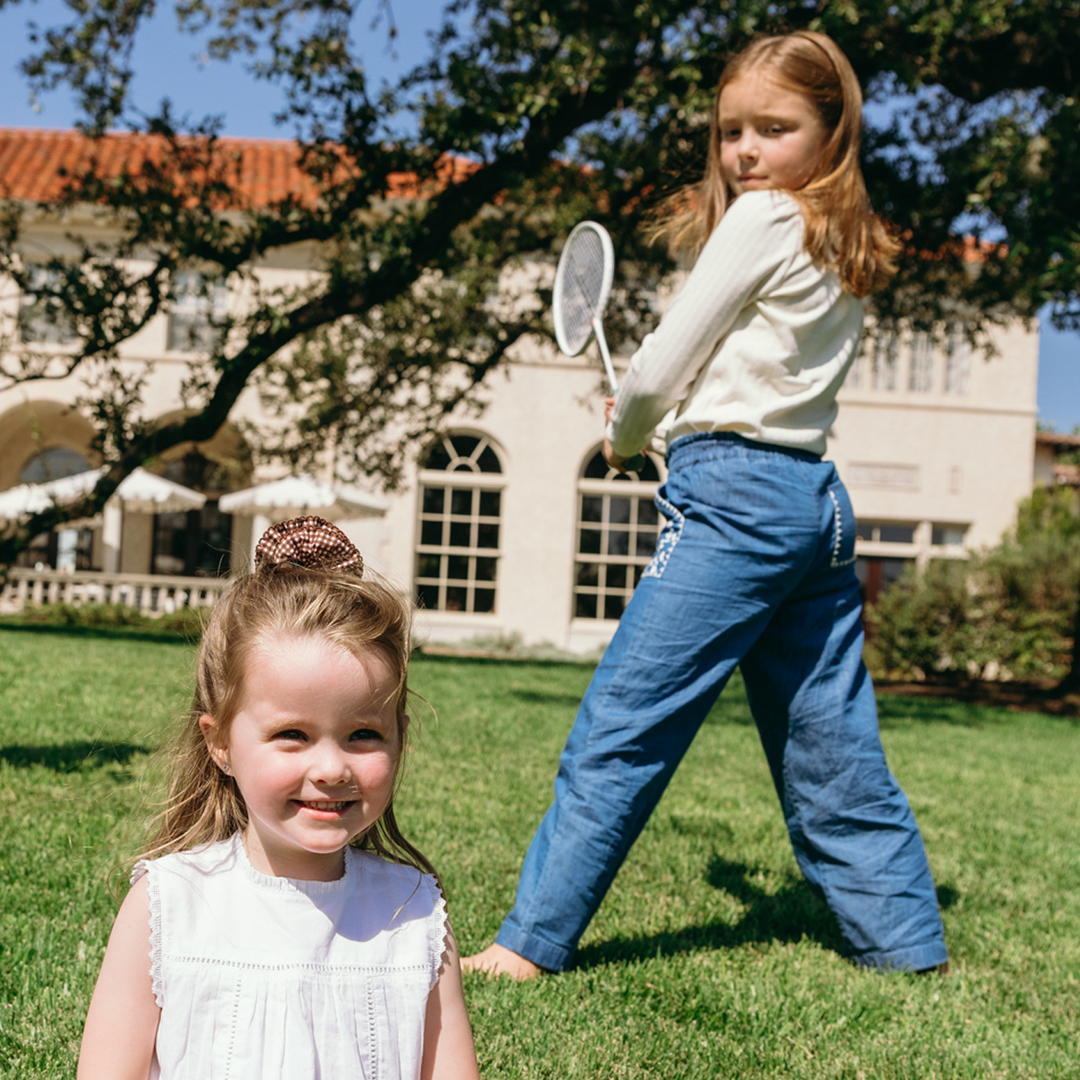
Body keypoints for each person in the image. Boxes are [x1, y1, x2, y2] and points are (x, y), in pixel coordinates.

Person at [464, 30, 948, 980]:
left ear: (832, 129)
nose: (747, 151)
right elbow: (755, 374)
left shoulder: (766, 218)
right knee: (831, 746)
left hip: (735, 497)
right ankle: (905, 948)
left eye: (775, 127)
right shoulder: (840, 239)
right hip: (816, 504)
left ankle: (528, 946)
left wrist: (635, 429)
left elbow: (661, 359)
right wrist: (670, 416)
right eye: (732, 130)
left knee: (625, 724)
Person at [78, 516, 481, 1080]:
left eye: (364, 734)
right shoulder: (170, 905)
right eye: (292, 735)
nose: (332, 768)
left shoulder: (412, 912)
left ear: (400, 735)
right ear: (220, 743)